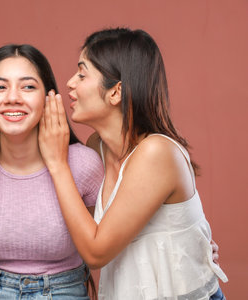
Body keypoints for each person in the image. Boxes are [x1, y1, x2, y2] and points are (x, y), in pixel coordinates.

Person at [38, 28, 228, 299]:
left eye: (81, 74)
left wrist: (58, 164)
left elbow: (95, 252)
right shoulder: (97, 147)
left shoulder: (156, 153)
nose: (69, 83)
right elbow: (83, 228)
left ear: (115, 92)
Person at [0, 44, 104, 299]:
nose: (13, 97)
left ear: (49, 97)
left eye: (28, 86)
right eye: (0, 87)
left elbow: (96, 249)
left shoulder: (84, 164)